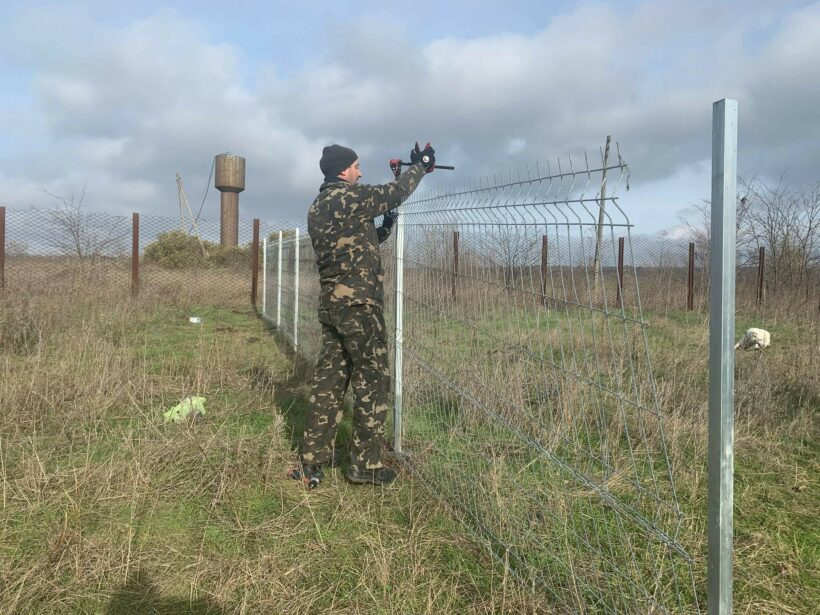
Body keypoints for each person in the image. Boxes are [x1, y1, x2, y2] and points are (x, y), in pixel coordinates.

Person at [287, 142, 436, 488]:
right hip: (360, 306)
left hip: (333, 306)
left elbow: (355, 242)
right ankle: (365, 465)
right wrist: (421, 166)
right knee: (372, 381)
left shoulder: (320, 206)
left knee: (329, 381)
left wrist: (385, 225)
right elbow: (396, 191)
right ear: (343, 171)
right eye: (356, 167)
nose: (360, 172)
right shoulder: (349, 197)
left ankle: (312, 460)